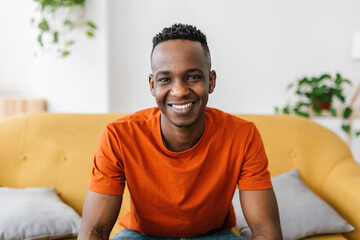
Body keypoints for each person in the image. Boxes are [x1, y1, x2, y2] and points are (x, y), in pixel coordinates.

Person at [78, 23, 283, 240]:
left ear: (211, 81)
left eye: (193, 76)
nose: (179, 91)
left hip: (213, 235)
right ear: (152, 85)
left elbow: (265, 230)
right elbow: (94, 231)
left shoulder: (243, 135)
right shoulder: (118, 136)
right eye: (165, 79)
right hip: (142, 236)